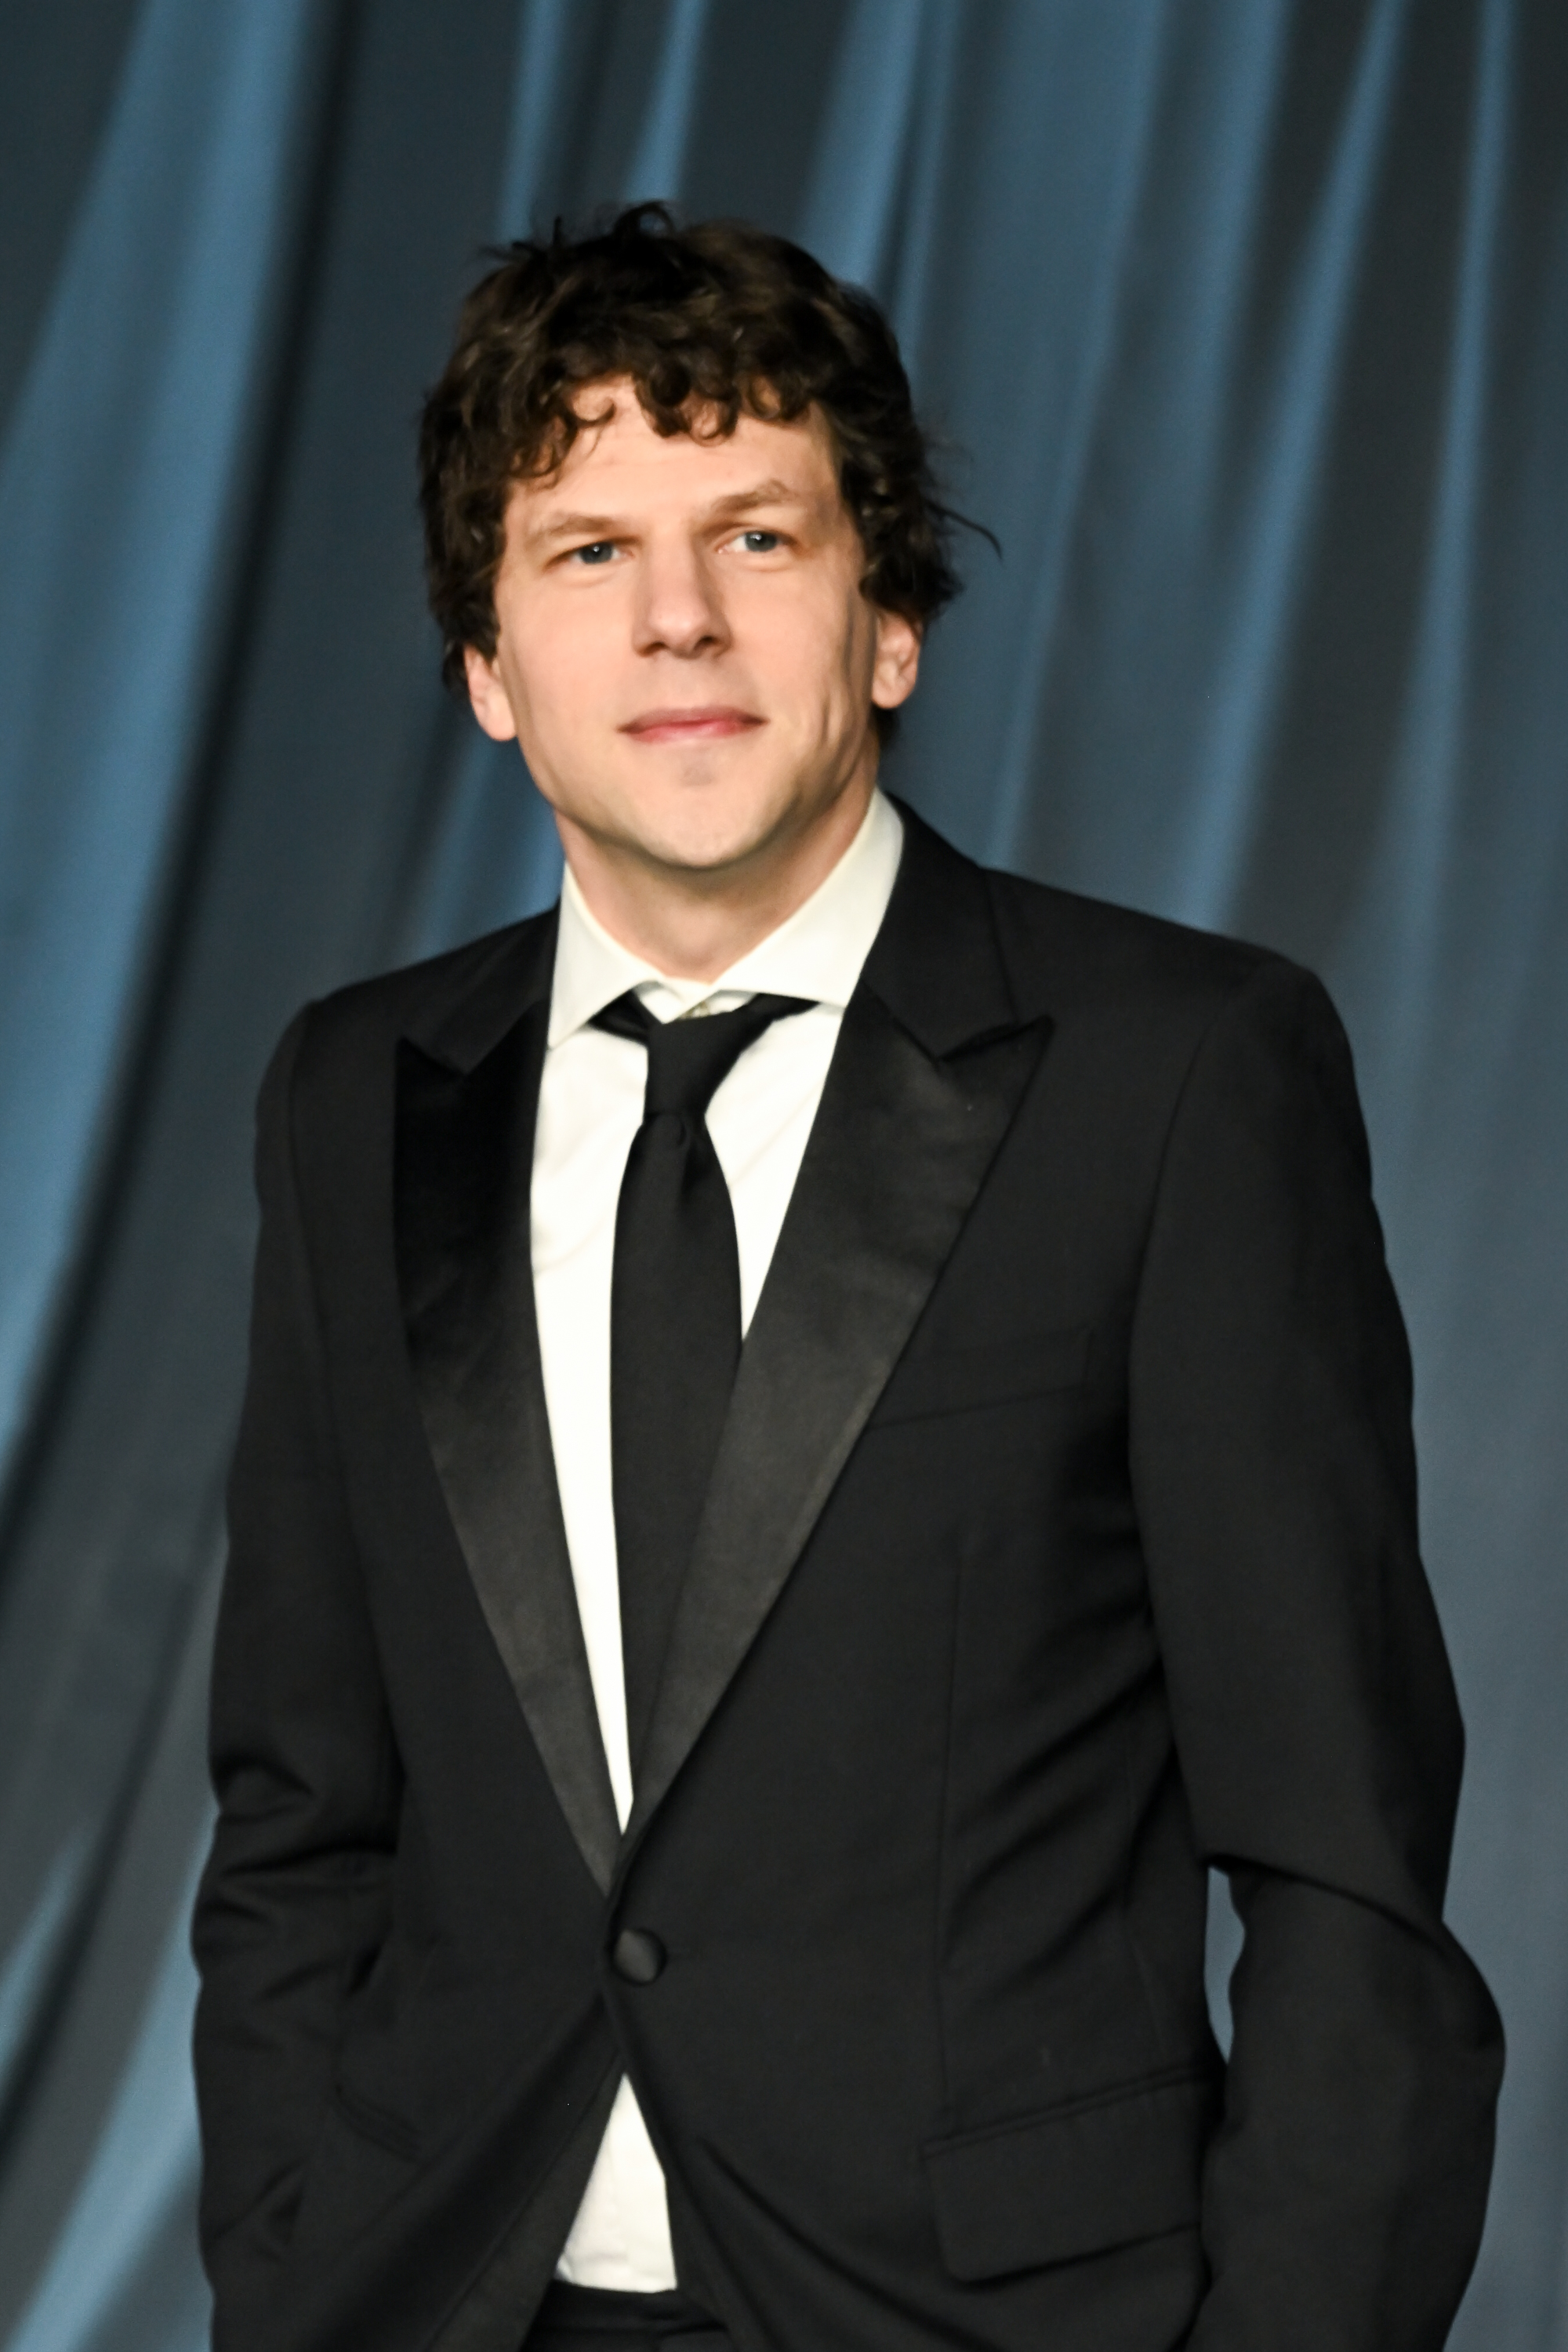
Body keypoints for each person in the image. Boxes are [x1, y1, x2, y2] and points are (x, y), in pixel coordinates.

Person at [192, 205, 1502, 2352]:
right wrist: (289, 2254)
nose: (678, 620)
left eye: (761, 539)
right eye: (589, 552)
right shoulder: (355, 1096)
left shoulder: (1179, 1074)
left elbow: (1351, 1885)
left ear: (889, 622)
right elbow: (301, 1816)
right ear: (490, 669)